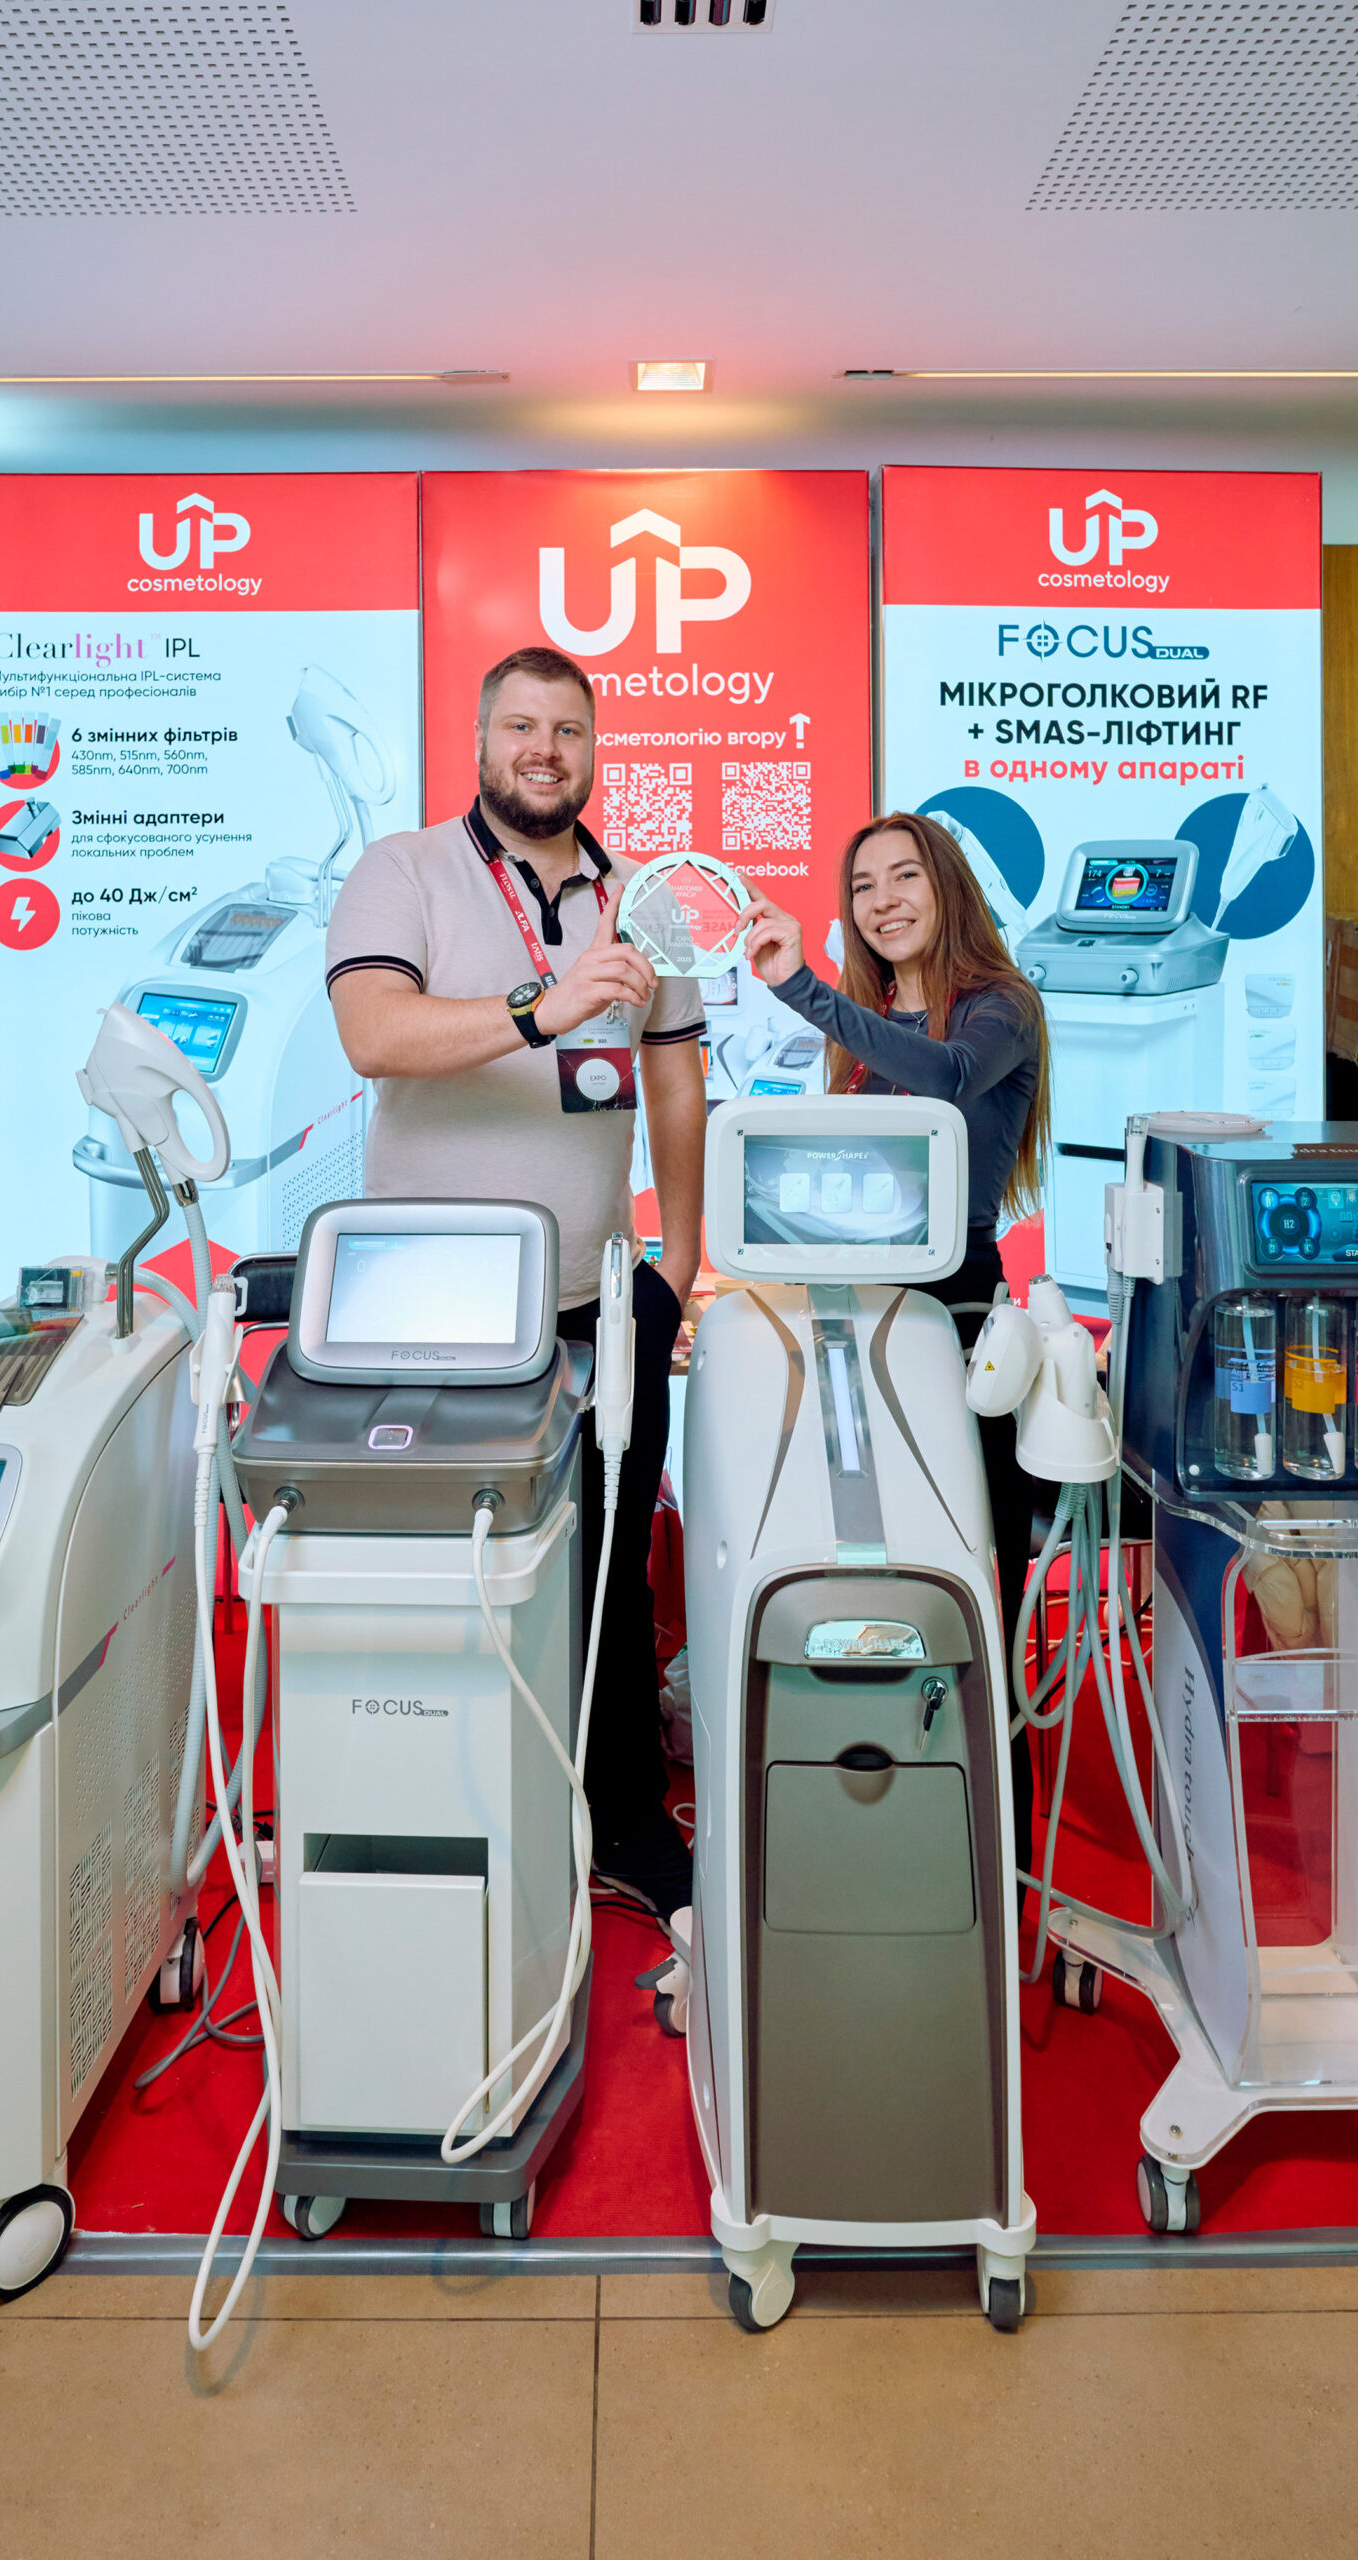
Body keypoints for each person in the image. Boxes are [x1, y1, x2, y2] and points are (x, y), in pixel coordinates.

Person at [324, 644, 707, 1916]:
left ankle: (620, 1820)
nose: (544, 749)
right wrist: (541, 1005)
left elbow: (674, 1076)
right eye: (521, 727)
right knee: (442, 1566)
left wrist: (678, 1255)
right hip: (424, 1309)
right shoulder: (402, 871)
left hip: (596, 1298)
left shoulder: (639, 897)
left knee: (608, 1567)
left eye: (567, 730)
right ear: (482, 741)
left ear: (593, 750)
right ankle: (442, 1810)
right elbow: (375, 1033)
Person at [742, 809, 1052, 1882]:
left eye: (904, 876)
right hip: (859, 1323)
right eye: (863, 885)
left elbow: (945, 1077)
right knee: (873, 1574)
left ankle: (998, 1862)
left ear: (946, 884)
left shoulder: (1000, 1007)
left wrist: (801, 986)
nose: (882, 901)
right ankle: (885, 1827)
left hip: (955, 1322)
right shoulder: (868, 1026)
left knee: (978, 1587)